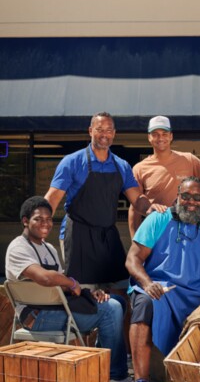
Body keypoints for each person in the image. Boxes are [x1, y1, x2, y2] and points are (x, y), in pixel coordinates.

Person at [5, 196, 132, 382]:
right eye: (38, 219)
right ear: (25, 221)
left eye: (48, 219)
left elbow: (62, 283)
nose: (45, 223)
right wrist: (72, 283)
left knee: (117, 302)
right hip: (37, 316)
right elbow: (46, 278)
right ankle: (115, 377)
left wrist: (88, 292)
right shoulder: (18, 247)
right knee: (111, 311)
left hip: (57, 308)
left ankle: (101, 359)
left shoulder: (48, 249)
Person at [125, 177, 200, 382]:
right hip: (160, 288)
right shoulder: (158, 220)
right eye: (186, 196)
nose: (191, 202)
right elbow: (133, 259)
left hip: (198, 292)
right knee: (143, 304)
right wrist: (147, 282)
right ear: (177, 196)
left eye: (197, 197)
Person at [44, 112, 164, 286]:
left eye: (109, 130)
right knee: (81, 290)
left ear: (114, 133)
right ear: (91, 131)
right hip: (78, 234)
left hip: (107, 235)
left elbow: (137, 199)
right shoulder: (72, 162)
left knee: (120, 286)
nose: (104, 134)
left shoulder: (121, 165)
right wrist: (39, 230)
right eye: (100, 129)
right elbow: (51, 200)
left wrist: (150, 208)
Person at [128, 115, 200, 237]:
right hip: (157, 233)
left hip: (189, 230)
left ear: (171, 136)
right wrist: (135, 240)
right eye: (155, 134)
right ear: (149, 137)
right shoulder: (139, 168)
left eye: (164, 133)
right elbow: (134, 207)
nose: (160, 138)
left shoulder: (189, 159)